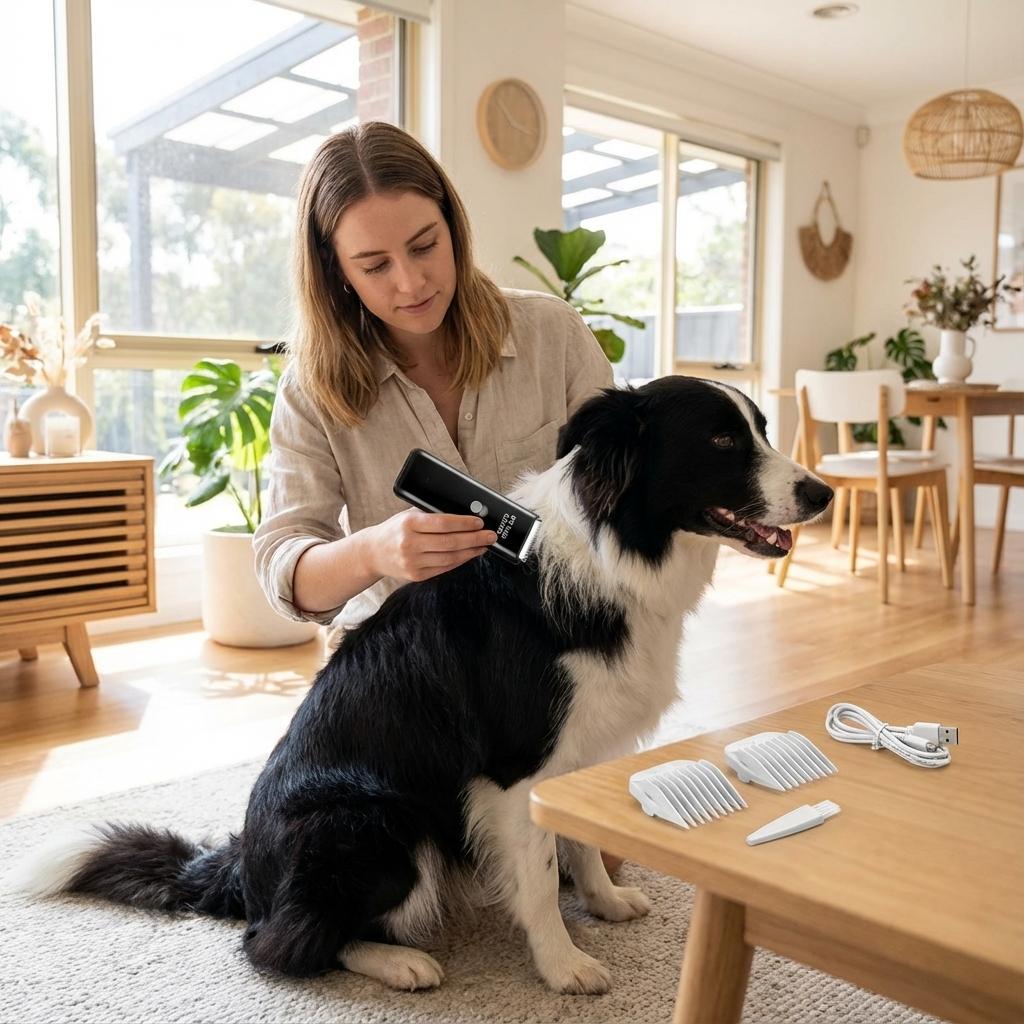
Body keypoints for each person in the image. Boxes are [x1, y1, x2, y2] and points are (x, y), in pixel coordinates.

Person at [254, 120, 614, 640]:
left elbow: (623, 493)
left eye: (424, 246)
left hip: (556, 644)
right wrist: (373, 551)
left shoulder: (551, 334)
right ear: (337, 272)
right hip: (400, 658)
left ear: (453, 227)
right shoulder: (310, 390)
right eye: (375, 266)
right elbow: (287, 574)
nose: (411, 283)